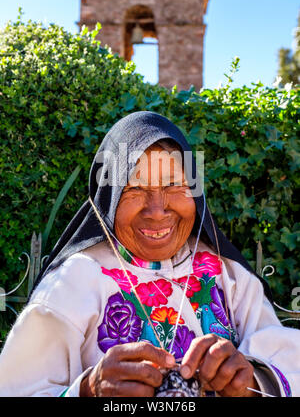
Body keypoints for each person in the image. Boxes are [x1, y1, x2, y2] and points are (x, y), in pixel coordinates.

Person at [0, 111, 299, 397]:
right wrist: (89, 388)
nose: (157, 211)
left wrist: (251, 382)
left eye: (174, 186)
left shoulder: (227, 274)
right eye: (135, 189)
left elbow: (286, 365)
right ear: (111, 197)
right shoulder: (74, 282)